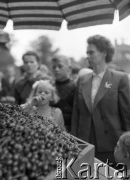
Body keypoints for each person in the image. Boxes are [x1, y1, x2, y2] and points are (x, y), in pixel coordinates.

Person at [71, 35, 130, 165]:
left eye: (91, 52)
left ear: (104, 53)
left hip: (111, 145)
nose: (88, 56)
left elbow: (127, 115)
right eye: (87, 52)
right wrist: (74, 141)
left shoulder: (120, 78)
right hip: (84, 144)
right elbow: (76, 114)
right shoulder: (83, 79)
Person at [51, 55, 76, 132]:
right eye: (54, 67)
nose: (56, 69)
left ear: (69, 68)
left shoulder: (76, 87)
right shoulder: (49, 87)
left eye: (60, 66)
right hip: (51, 129)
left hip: (71, 130)